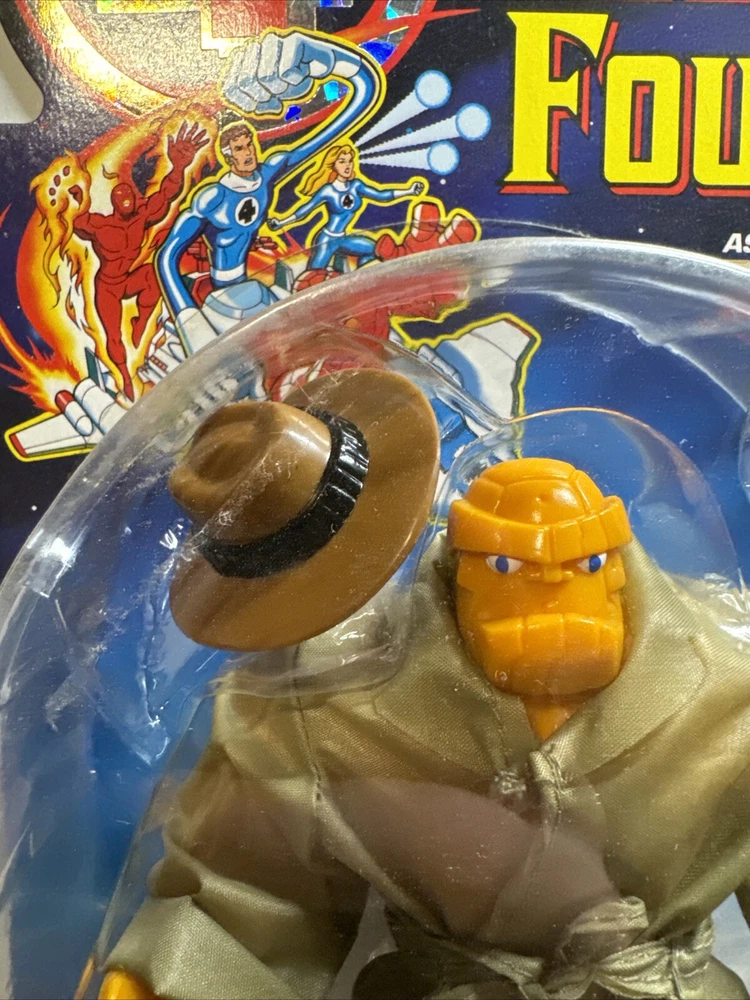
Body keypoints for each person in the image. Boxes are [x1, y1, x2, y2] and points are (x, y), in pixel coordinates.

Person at [100, 380, 750, 999]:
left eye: (584, 563)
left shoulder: (732, 678)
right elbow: (249, 887)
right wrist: (180, 978)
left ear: (613, 562)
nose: (550, 597)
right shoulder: (319, 705)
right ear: (464, 565)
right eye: (507, 565)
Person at [156, 30, 382, 355]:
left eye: (249, 145)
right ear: (228, 156)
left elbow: (359, 101)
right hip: (221, 300)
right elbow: (167, 257)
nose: (249, 153)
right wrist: (189, 322)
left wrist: (334, 62)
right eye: (239, 149)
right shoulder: (212, 199)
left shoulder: (268, 172)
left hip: (254, 293)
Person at [70, 122, 207, 400]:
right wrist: (79, 201)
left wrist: (178, 167)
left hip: (130, 279)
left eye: (129, 194)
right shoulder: (101, 226)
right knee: (113, 337)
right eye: (119, 196)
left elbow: (166, 196)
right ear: (113, 203)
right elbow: (79, 223)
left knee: (152, 275)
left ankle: (141, 326)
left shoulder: (141, 217)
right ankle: (124, 377)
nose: (126, 198)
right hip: (108, 287)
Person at [267, 142, 424, 280]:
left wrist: (409, 191)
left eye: (349, 161)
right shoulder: (328, 191)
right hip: (327, 240)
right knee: (313, 276)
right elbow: (305, 210)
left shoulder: (356, 186)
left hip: (343, 239)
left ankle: (363, 282)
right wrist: (281, 222)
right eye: (342, 162)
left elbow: (381, 195)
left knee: (376, 250)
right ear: (333, 165)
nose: (347, 165)